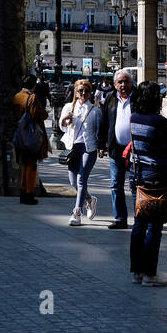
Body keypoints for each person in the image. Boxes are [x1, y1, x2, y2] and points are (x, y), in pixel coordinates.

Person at [126, 81, 167, 287]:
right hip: (156, 174)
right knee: (155, 226)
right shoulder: (160, 122)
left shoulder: (133, 118)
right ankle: (150, 274)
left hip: (136, 173)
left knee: (139, 223)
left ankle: (136, 271)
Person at [95, 68, 136, 228]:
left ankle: (139, 219)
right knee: (115, 184)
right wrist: (101, 145)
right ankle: (120, 219)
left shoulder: (138, 98)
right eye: (120, 82)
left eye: (126, 81)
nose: (123, 85)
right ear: (114, 84)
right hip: (116, 148)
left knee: (135, 185)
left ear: (132, 83)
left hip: (135, 150)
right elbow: (103, 124)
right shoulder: (110, 99)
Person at [60, 79, 101, 225]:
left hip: (88, 148)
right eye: (80, 91)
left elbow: (98, 131)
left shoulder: (95, 111)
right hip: (72, 148)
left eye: (86, 91)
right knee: (73, 181)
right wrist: (65, 119)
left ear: (90, 93)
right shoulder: (68, 107)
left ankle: (77, 212)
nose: (83, 93)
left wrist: (102, 147)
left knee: (81, 179)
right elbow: (62, 127)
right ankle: (89, 199)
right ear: (76, 92)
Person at [12, 74, 50, 204]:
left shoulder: (17, 96)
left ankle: (23, 191)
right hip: (30, 135)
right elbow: (37, 115)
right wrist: (45, 113)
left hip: (19, 134)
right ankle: (29, 193)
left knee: (24, 164)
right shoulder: (32, 98)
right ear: (33, 85)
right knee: (31, 165)